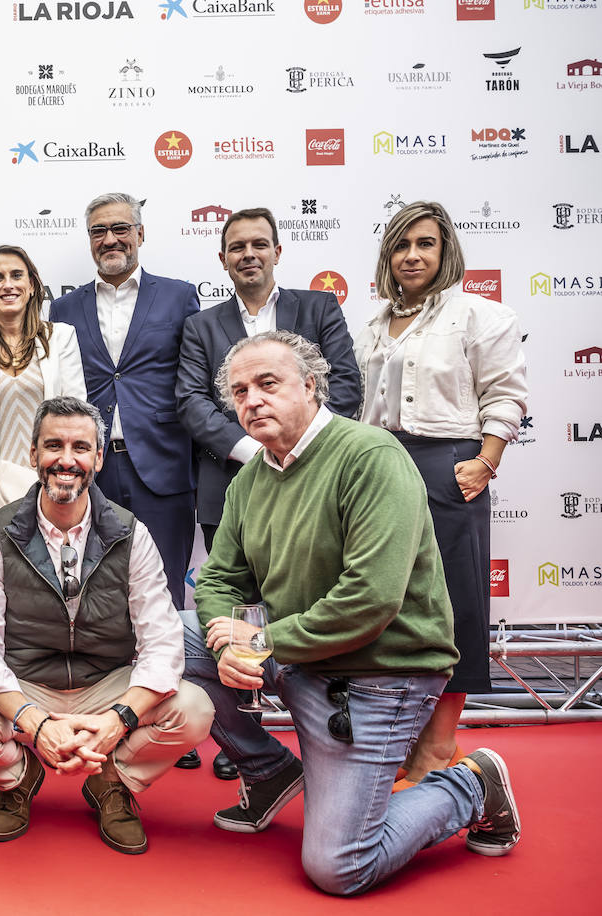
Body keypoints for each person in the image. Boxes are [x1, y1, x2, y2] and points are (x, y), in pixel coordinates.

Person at [194, 330, 520, 896]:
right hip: (300, 659)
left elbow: (370, 599)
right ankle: (270, 773)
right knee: (173, 638)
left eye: (268, 383)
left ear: (312, 386)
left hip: (377, 677)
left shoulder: (369, 456)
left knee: (339, 868)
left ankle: (472, 786)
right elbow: (220, 578)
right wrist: (230, 645)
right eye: (240, 391)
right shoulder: (251, 476)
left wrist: (260, 643)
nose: (252, 400)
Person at [0, 396, 213, 855]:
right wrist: (36, 722)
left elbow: (164, 647)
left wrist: (117, 719)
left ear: (98, 458)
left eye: (80, 447)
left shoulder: (131, 534)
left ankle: (112, 781)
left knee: (194, 709)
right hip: (27, 684)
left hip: (106, 684)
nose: (66, 460)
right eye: (53, 445)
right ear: (33, 456)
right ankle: (18, 779)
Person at [175, 207, 361, 782]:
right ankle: (245, 741)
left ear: (278, 250)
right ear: (223, 259)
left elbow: (345, 385)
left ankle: (337, 724)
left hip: (316, 477)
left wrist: (297, 448)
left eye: (260, 243)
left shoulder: (318, 308)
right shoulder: (202, 326)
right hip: (231, 479)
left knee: (305, 597)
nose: (248, 253)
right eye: (236, 246)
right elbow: (192, 403)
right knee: (232, 604)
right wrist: (259, 449)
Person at [354, 201, 527, 789]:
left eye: (424, 244)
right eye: (402, 245)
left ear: (445, 250)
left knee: (456, 603)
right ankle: (407, 738)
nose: (412, 256)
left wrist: (485, 461)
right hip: (381, 466)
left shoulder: (480, 315)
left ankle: (440, 745)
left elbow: (506, 394)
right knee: (395, 603)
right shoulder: (374, 324)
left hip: (449, 467)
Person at [49, 192, 198, 612]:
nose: (110, 239)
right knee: (96, 588)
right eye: (99, 231)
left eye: (120, 228)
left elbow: (193, 377)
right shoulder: (63, 307)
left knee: (164, 587)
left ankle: (165, 676)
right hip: (92, 469)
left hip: (163, 467)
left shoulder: (178, 296)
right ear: (89, 240)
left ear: (140, 233)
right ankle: (112, 678)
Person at [0, 245, 85, 579]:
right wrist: (0, 483)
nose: (7, 284)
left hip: (52, 490)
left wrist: (41, 485)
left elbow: (77, 416)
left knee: (47, 596)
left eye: (16, 275)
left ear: (33, 284)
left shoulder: (62, 337)